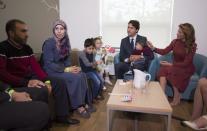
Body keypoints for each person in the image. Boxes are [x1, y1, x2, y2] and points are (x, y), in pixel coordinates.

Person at [0, 19, 79, 125]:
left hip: (30, 78)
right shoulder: (3, 48)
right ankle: (42, 121)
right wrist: (26, 83)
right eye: (23, 31)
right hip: (16, 84)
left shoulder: (27, 48)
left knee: (59, 83)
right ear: (11, 33)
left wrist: (47, 81)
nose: (27, 34)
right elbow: (2, 74)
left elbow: (37, 68)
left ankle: (62, 116)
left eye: (27, 31)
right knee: (41, 90)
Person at [42, 20, 94, 118]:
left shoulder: (66, 42)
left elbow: (67, 61)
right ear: (53, 30)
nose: (59, 31)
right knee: (75, 78)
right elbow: (49, 63)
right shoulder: (49, 43)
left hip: (62, 69)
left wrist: (72, 68)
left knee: (81, 74)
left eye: (62, 29)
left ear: (65, 30)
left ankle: (83, 102)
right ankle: (78, 106)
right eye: (56, 29)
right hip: (51, 71)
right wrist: (66, 70)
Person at [148, 23, 197, 106]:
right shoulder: (175, 42)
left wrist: (171, 65)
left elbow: (186, 63)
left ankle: (176, 98)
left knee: (172, 70)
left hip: (186, 68)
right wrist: (153, 48)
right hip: (175, 66)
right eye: (178, 31)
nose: (177, 33)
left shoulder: (192, 46)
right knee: (163, 69)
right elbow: (164, 51)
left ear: (186, 34)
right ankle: (162, 96)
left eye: (180, 32)